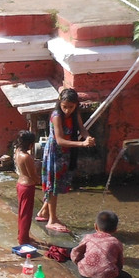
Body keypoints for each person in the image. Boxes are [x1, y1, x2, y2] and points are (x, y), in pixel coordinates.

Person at [36, 88, 94, 233]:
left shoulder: (75, 114)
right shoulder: (56, 116)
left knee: (58, 183)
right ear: (60, 104)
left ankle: (44, 212)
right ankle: (52, 219)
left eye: (71, 107)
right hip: (55, 152)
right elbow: (60, 140)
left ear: (76, 106)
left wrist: (88, 137)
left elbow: (82, 129)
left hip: (67, 153)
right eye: (64, 107)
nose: (67, 110)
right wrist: (82, 144)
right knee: (53, 186)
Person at [14, 130, 38, 246]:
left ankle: (22, 235)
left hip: (19, 184)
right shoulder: (26, 157)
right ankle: (23, 240)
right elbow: (32, 175)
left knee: (21, 212)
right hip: (27, 186)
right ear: (30, 144)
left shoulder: (17, 152)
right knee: (26, 214)